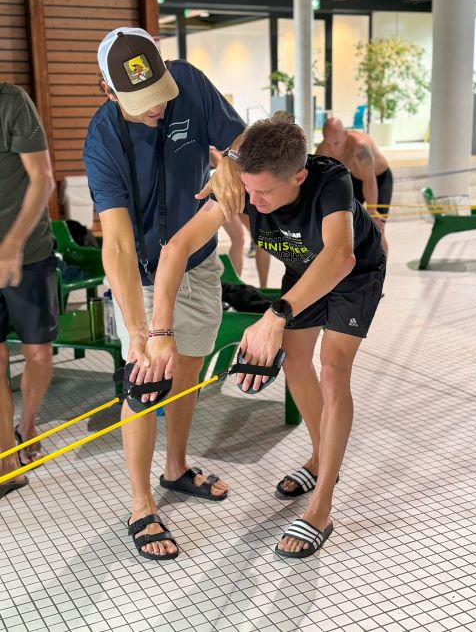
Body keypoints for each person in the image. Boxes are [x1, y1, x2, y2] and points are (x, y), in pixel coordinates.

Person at [152, 112, 386, 558]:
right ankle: (321, 460)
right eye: (247, 189)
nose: (251, 201)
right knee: (296, 364)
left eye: (263, 192)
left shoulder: (330, 181)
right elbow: (177, 248)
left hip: (354, 273)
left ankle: (321, 508)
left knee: (333, 372)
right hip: (303, 273)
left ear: (298, 176)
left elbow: (339, 258)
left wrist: (275, 316)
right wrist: (160, 332)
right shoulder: (243, 184)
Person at [83, 27, 246, 560]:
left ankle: (175, 468)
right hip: (146, 277)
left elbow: (243, 141)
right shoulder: (103, 138)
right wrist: (140, 331)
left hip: (198, 262)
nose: (157, 109)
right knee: (145, 382)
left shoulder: (190, 84)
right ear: (109, 91)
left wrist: (230, 162)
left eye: (160, 96)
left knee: (188, 371)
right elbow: (119, 247)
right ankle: (139, 503)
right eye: (141, 103)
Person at [0, 83, 58, 499]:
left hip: (29, 253)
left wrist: (14, 242)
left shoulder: (12, 102)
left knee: (37, 353)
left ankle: (28, 424)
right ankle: (7, 456)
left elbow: (43, 179)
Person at [316, 117, 393, 256]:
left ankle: (381, 274)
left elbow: (370, 181)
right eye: (328, 143)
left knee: (377, 230)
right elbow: (317, 182)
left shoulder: (360, 148)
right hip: (355, 178)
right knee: (344, 225)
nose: (332, 149)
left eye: (336, 143)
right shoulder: (323, 149)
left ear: (345, 135)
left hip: (379, 179)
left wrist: (372, 210)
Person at [210, 146, 271, 286]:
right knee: (240, 238)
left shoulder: (237, 142)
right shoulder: (212, 147)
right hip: (223, 193)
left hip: (241, 191)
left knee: (261, 239)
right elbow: (221, 168)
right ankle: (235, 286)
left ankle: (263, 287)